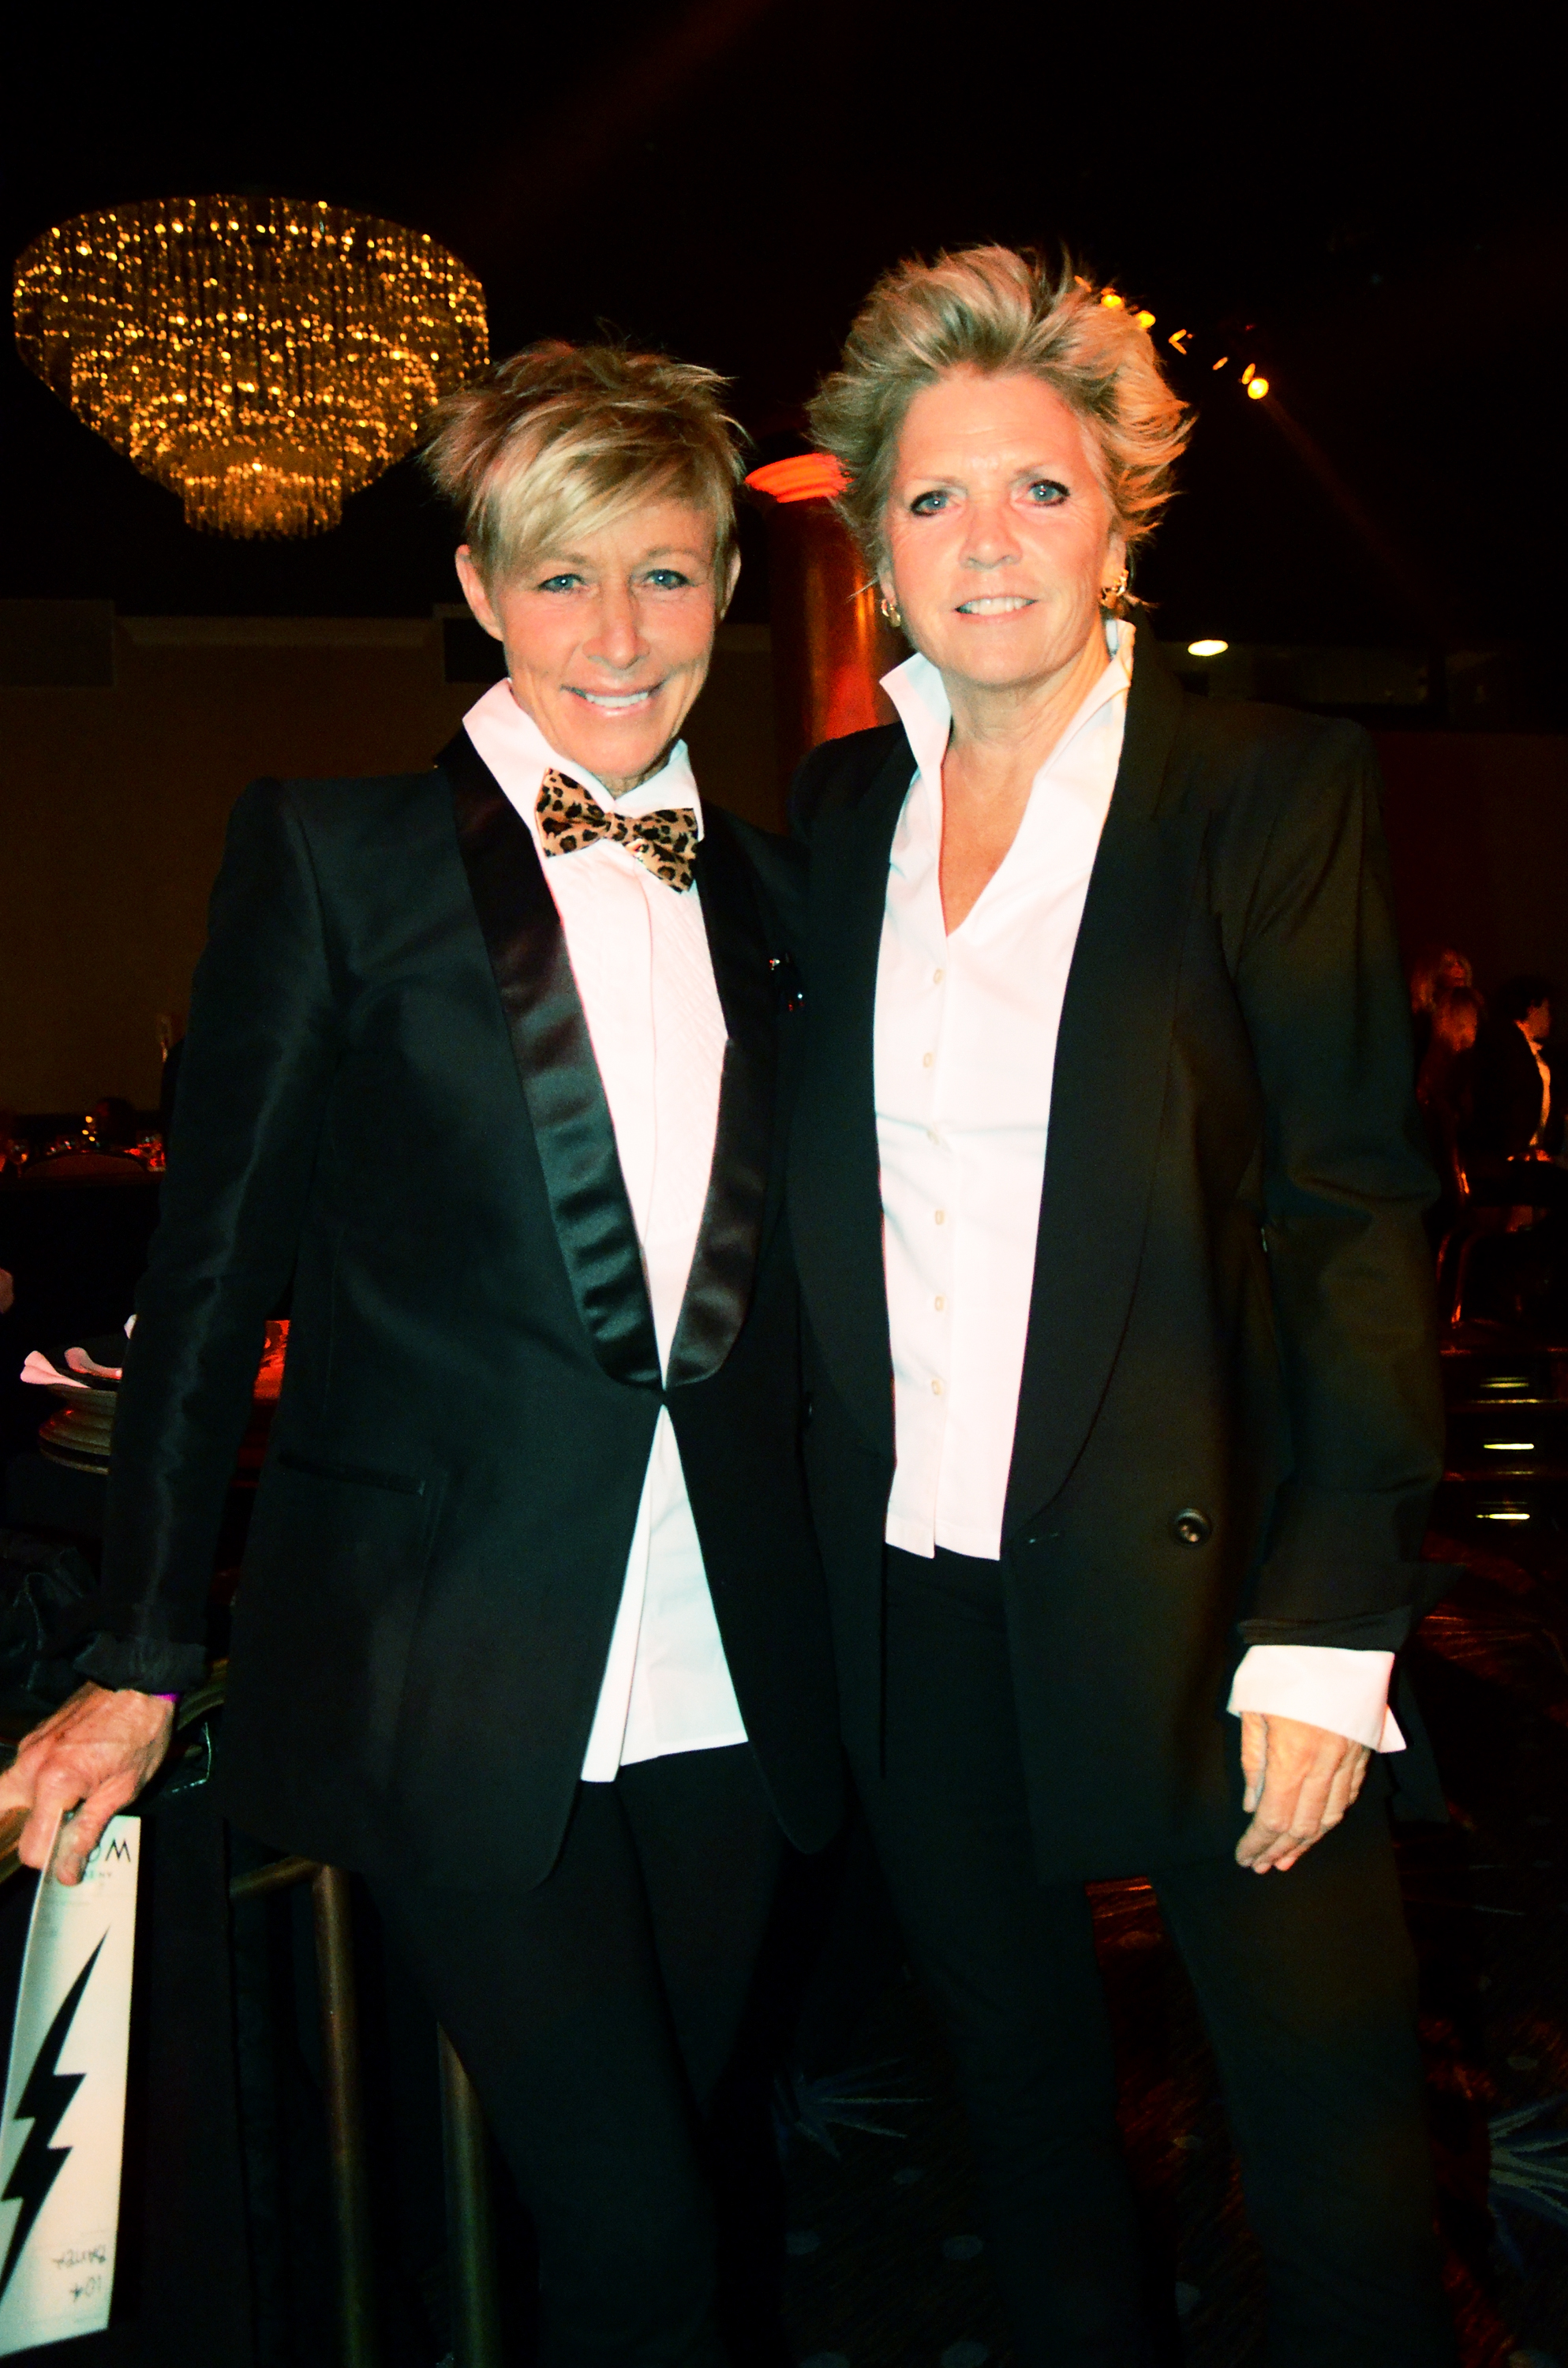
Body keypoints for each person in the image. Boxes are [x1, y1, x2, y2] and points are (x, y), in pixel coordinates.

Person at [0, 340, 841, 2367]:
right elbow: (210, 1272)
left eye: (663, 572)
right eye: (561, 577)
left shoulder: (770, 889)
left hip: (731, 1665)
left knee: (656, 2188)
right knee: (643, 2231)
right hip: (456, 1659)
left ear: (728, 586)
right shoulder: (331, 852)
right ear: (475, 587)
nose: (617, 633)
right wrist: (136, 1655)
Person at [788, 246, 1454, 2366]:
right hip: (916, 1593)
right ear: (877, 545)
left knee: (1330, 2154)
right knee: (1024, 2124)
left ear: (1120, 515)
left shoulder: (1259, 785)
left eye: (1038, 491)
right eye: (932, 499)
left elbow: (1349, 1208)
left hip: (1210, 1587)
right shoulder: (842, 808)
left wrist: (1333, 1616)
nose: (987, 540)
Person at [1409, 942, 1474, 1074]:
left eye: (1460, 964)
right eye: (1450, 965)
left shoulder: (1472, 1011)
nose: (1459, 969)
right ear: (1432, 972)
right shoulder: (1422, 1022)